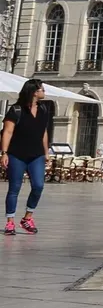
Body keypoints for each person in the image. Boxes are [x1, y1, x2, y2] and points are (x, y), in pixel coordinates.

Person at [1, 78, 53, 235]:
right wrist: (4, 153)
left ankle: (27, 218)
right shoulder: (16, 110)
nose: (44, 92)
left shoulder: (44, 109)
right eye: (42, 89)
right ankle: (10, 222)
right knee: (14, 188)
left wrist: (46, 152)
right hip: (17, 154)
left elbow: (43, 132)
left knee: (38, 186)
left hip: (36, 155)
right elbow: (7, 132)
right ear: (34, 92)